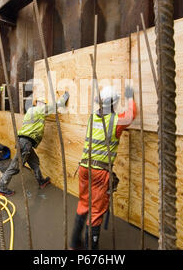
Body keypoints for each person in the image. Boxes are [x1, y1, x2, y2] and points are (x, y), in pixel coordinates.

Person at [70, 86, 136, 250]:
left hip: (84, 167)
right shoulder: (115, 121)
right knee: (96, 211)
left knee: (84, 203)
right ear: (114, 104)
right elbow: (132, 114)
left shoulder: (93, 118)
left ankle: (73, 243)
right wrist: (130, 98)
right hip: (100, 172)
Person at [0, 92, 70, 196]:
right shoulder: (39, 110)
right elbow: (54, 106)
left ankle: (41, 181)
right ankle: (2, 187)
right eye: (44, 104)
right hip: (26, 142)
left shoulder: (31, 111)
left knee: (35, 162)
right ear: (41, 104)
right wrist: (64, 98)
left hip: (25, 142)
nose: (44, 106)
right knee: (15, 166)